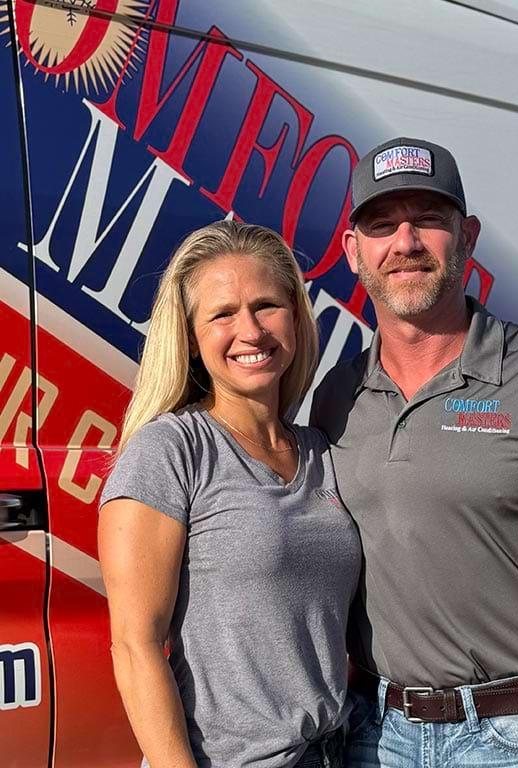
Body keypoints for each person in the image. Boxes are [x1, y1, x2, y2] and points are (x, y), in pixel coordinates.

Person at [310, 137, 518, 768]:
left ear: (466, 236)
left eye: (429, 220)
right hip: (374, 734)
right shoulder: (337, 395)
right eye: (382, 224)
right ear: (352, 249)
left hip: (516, 739)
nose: (406, 242)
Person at [98, 221, 361, 768]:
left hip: (341, 751)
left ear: (294, 318)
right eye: (222, 314)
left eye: (267, 305)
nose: (251, 330)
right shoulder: (170, 450)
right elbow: (134, 646)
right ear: (192, 339)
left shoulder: (323, 450)